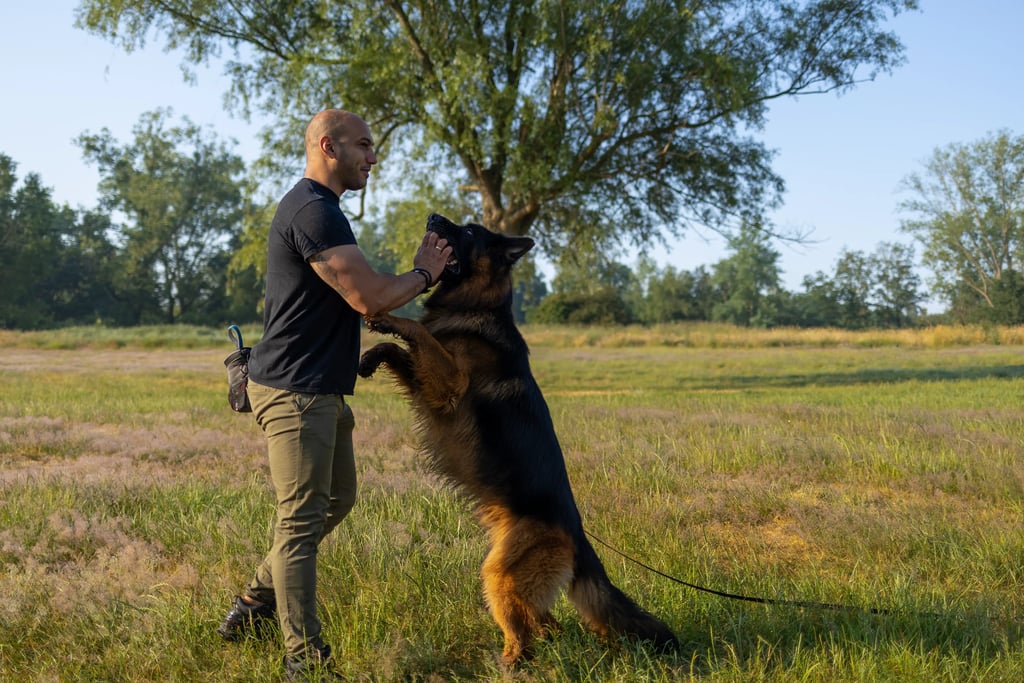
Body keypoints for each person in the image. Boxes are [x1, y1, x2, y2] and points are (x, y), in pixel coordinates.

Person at [216, 109, 452, 681]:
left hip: (319, 390)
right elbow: (370, 298)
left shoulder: (323, 212)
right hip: (295, 393)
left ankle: (253, 603)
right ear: (329, 146)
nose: (373, 157)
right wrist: (423, 274)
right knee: (298, 524)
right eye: (364, 146)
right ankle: (305, 659)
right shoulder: (313, 212)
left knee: (337, 500)